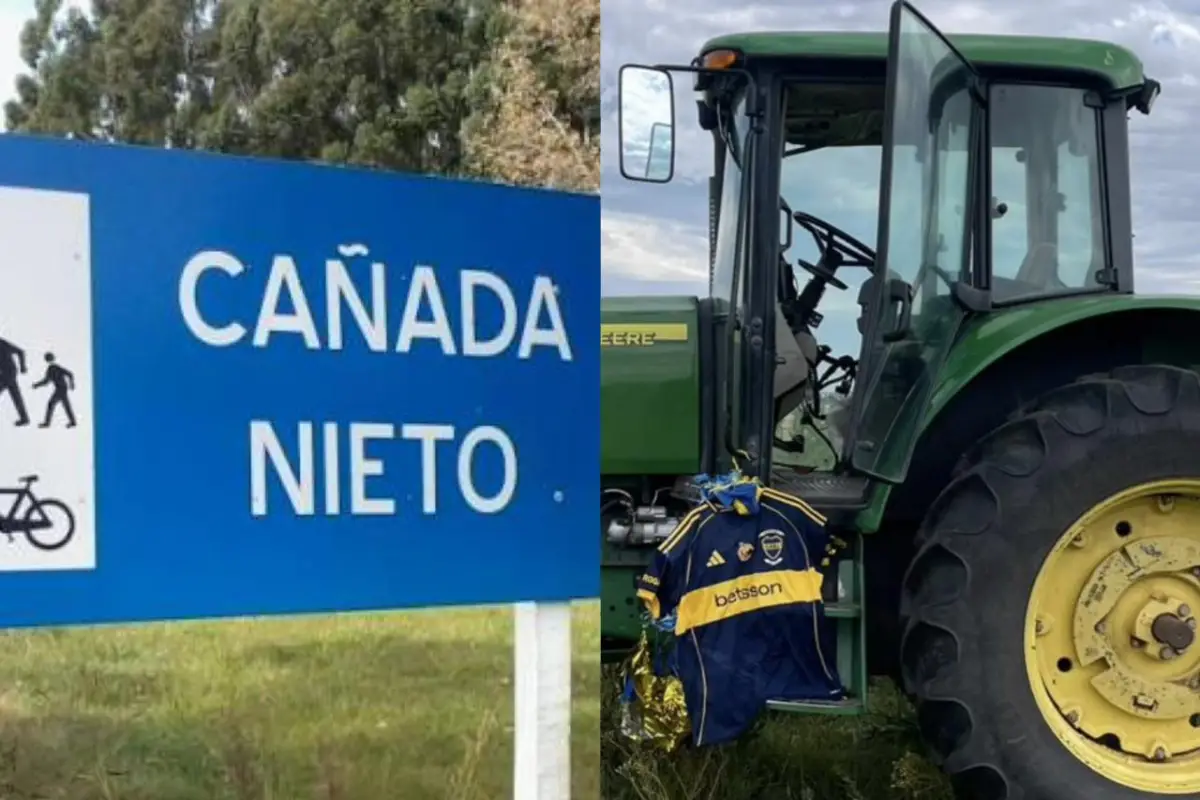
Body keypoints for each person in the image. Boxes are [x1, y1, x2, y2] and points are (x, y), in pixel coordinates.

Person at [34, 352, 75, 429]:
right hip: (61, 388)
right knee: (66, 405)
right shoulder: (52, 368)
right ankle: (73, 422)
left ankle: (47, 423)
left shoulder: (53, 368)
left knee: (51, 404)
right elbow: (46, 382)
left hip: (61, 389)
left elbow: (46, 381)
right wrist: (37, 385)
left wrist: (72, 384)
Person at [0, 335, 29, 426]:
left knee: (15, 395)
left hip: (9, 372)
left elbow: (20, 352)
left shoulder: (2, 343)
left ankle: (25, 418)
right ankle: (25, 418)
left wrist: (23, 367)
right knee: (16, 395)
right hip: (6, 373)